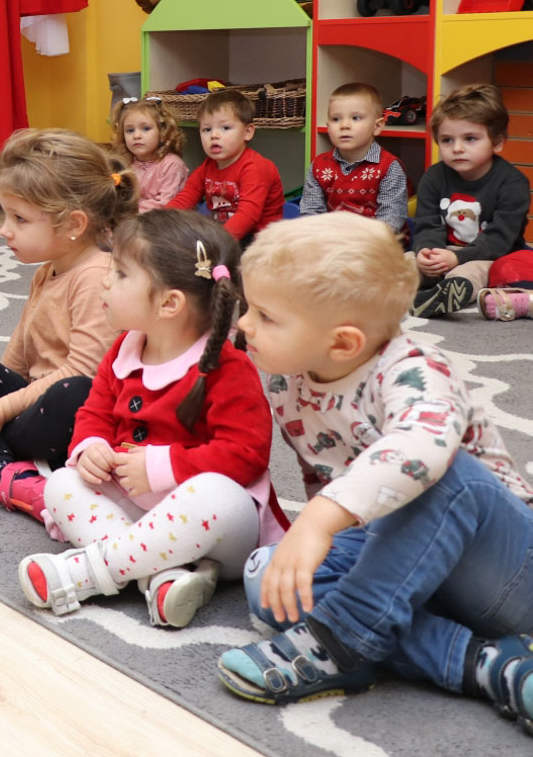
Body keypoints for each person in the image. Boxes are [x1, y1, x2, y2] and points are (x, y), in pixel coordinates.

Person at [217, 213, 533, 731]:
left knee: (443, 475)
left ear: (343, 343)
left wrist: (319, 519)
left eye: (266, 316)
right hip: (400, 565)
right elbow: (325, 472)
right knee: (269, 579)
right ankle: (488, 665)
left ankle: (342, 637)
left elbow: (419, 447)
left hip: (504, 571)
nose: (245, 324)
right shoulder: (289, 380)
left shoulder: (416, 370)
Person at [18, 210, 286, 629]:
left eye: (121, 273)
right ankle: (160, 577)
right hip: (138, 511)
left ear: (169, 303)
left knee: (214, 494)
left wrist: (162, 467)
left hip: (216, 528)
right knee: (62, 483)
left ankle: (89, 572)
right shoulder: (125, 347)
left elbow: (245, 455)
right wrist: (91, 447)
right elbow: (95, 412)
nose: (105, 281)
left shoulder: (228, 367)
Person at [0, 129, 135, 520]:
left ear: (74, 223)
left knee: (73, 391)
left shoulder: (96, 277)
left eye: (19, 219)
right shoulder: (47, 271)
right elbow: (19, 357)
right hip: (34, 403)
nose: (4, 229)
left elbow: (84, 371)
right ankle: (1, 458)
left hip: (78, 415)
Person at [408, 83, 533, 318]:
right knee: (405, 261)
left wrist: (458, 258)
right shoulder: (433, 176)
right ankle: (379, 288)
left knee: (474, 272)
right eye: (447, 140)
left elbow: (499, 238)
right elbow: (427, 223)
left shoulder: (513, 183)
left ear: (497, 142)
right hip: (444, 250)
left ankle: (445, 295)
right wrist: (427, 252)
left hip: (491, 255)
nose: (457, 148)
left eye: (470, 139)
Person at [167, 88, 284, 244]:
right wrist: (159, 220)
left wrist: (217, 243)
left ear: (248, 132)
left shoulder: (255, 168)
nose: (214, 135)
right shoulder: (208, 166)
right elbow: (185, 198)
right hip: (225, 232)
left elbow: (247, 216)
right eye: (207, 129)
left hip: (259, 239)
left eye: (225, 128)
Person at [299, 82, 407, 236]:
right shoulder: (319, 165)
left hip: (376, 242)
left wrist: (360, 243)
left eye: (356, 118)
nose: (344, 125)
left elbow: (391, 218)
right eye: (336, 119)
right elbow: (311, 213)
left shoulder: (389, 167)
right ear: (328, 127)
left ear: (377, 126)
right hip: (330, 239)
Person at [110, 96, 187, 212]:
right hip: (131, 217)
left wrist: (129, 212)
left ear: (163, 131)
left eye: (145, 128)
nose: (136, 136)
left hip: (164, 219)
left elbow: (166, 203)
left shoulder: (172, 165)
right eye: (130, 130)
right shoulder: (127, 162)